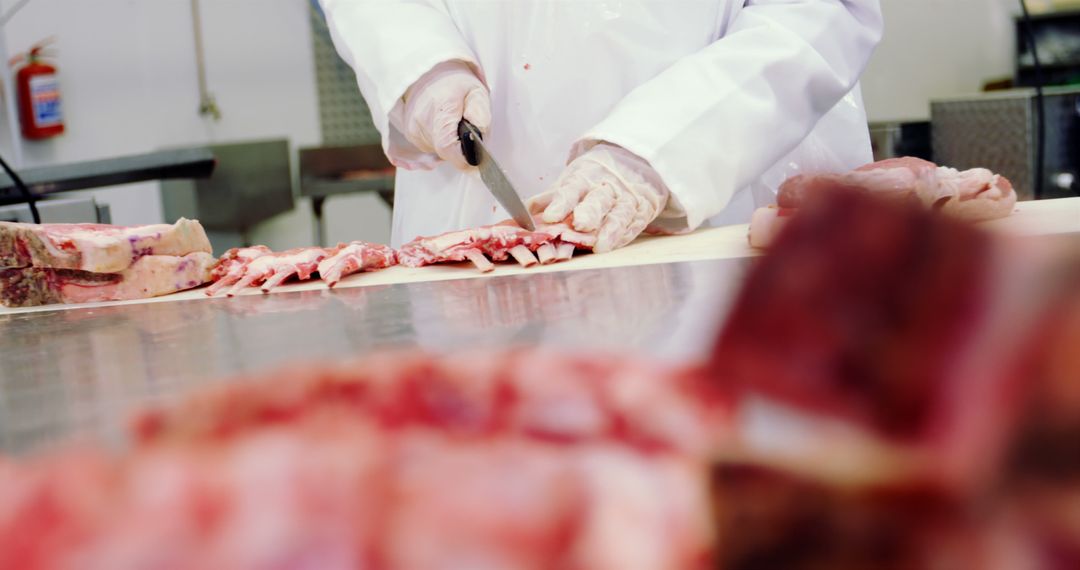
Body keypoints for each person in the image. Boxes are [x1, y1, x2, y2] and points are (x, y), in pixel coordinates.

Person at [320, 1, 883, 250]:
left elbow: (819, 11)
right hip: (470, 221)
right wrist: (420, 67)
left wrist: (658, 149)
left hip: (712, 209)